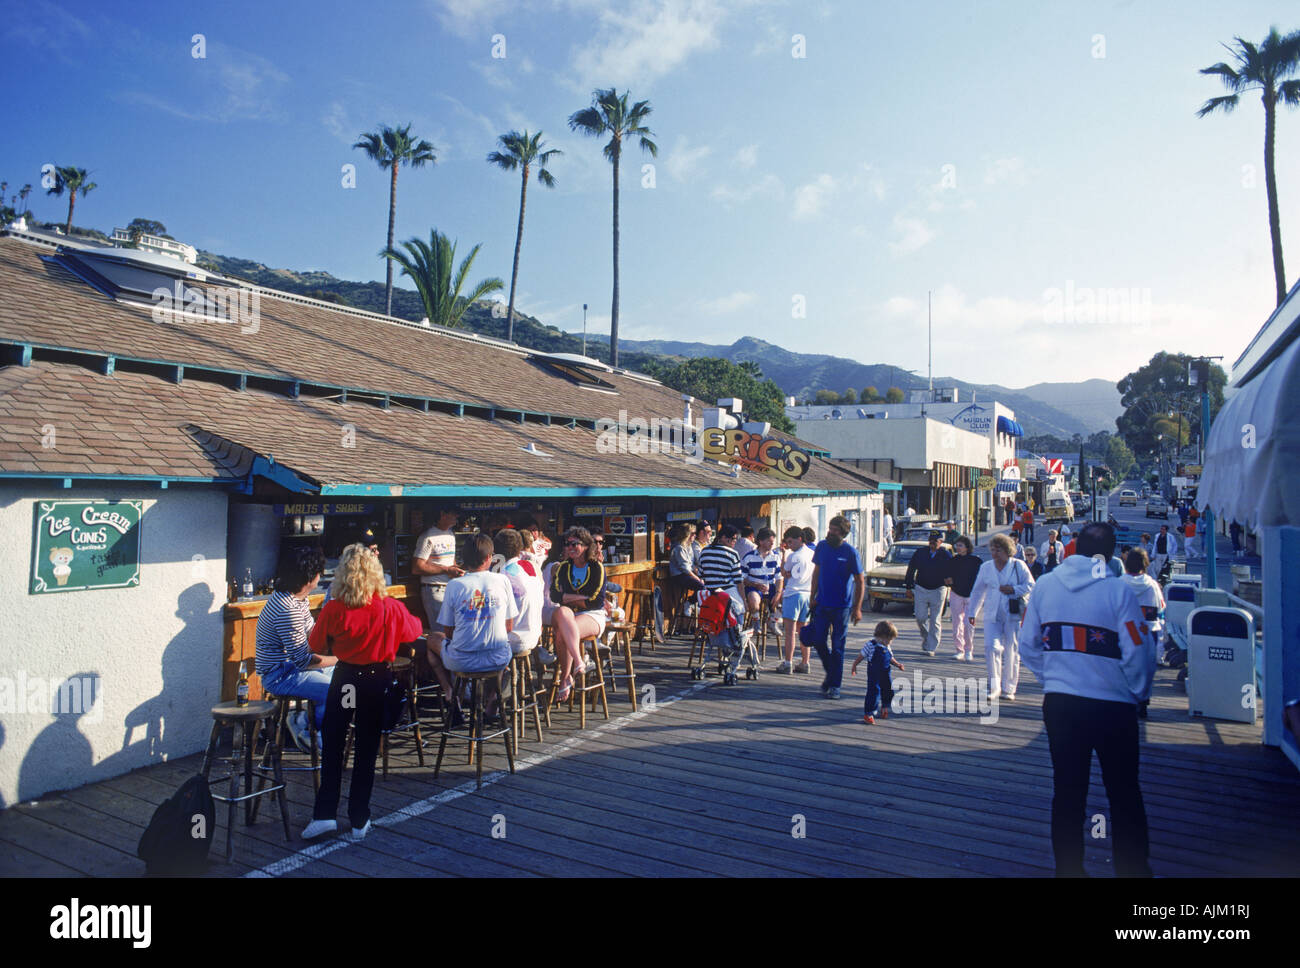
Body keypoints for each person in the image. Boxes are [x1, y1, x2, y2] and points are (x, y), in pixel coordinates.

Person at [1018, 522, 1155, 877]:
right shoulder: (1118, 591)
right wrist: (1137, 692)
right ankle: (1132, 871)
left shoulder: (1046, 586)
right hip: (1113, 708)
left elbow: (1028, 645)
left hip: (1062, 705)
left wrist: (1053, 678)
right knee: (1124, 793)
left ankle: (1069, 871)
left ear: (1074, 547)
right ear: (1111, 555)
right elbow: (1139, 651)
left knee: (1067, 791)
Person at [303, 544, 422, 842]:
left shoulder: (334, 608)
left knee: (333, 745)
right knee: (367, 749)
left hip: (345, 679)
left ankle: (324, 815)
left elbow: (315, 646)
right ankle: (359, 817)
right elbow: (413, 631)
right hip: (375, 678)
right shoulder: (390, 606)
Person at [425, 532, 519, 724]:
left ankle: (452, 695)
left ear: (464, 560)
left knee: (432, 639)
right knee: (504, 653)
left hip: (461, 661)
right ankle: (492, 704)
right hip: (497, 659)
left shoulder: (454, 585)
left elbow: (448, 632)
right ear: (489, 558)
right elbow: (509, 626)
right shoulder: (502, 581)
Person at [255, 545, 337, 751]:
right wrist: (341, 658)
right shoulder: (287, 609)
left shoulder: (296, 598)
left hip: (292, 667)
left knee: (352, 678)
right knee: (337, 690)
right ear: (310, 579)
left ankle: (310, 722)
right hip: (281, 674)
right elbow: (303, 660)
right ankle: (309, 730)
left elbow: (313, 634)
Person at [967, 534, 1035, 701]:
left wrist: (1014, 590)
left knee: (1012, 650)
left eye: (999, 549)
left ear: (1008, 550)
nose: (995, 553)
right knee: (991, 647)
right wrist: (972, 612)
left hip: (1013, 614)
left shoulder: (1019, 566)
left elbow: (1031, 585)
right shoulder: (986, 567)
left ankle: (1009, 688)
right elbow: (977, 591)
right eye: (993, 549)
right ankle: (994, 686)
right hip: (992, 613)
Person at [804, 515, 865, 699]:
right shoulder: (822, 546)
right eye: (830, 529)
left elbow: (860, 581)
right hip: (822, 603)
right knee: (818, 641)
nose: (830, 533)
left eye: (835, 531)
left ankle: (834, 685)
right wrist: (812, 596)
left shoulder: (850, 552)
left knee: (838, 646)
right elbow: (816, 572)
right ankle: (832, 674)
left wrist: (857, 608)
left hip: (842, 607)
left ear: (843, 533)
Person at [549, 527, 606, 703]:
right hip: (570, 615)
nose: (570, 547)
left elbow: (596, 602)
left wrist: (568, 597)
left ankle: (565, 678)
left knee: (561, 634)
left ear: (586, 545)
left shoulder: (596, 567)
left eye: (575, 544)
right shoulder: (564, 567)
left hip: (592, 615)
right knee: (561, 611)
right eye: (567, 544)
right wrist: (580, 598)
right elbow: (555, 596)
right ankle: (579, 662)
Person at [413, 506, 465, 652]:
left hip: (449, 589)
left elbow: (451, 562)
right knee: (441, 635)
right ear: (443, 514)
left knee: (453, 632)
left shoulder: (451, 534)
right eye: (454, 513)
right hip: (433, 590)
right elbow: (417, 567)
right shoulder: (427, 536)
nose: (457, 517)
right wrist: (446, 570)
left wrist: (457, 570)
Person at [1122, 548, 1164, 720]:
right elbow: (1161, 608)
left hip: (1124, 632)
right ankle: (1143, 701)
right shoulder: (1153, 585)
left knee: (1125, 667)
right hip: (1147, 631)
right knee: (1145, 668)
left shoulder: (1119, 584)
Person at [496, 528, 543, 659]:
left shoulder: (503, 575)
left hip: (514, 640)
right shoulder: (532, 567)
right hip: (534, 635)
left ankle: (497, 673)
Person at [904, 530, 952, 656]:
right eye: (930, 540)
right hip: (921, 588)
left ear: (941, 542)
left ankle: (931, 647)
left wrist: (950, 581)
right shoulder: (920, 553)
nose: (932, 543)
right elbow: (911, 569)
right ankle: (926, 637)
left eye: (935, 541)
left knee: (935, 619)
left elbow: (953, 571)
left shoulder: (946, 555)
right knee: (920, 617)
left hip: (939, 589)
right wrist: (908, 586)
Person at [778, 525, 815, 673]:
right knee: (803, 630)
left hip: (793, 593)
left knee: (790, 632)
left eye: (790, 542)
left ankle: (788, 663)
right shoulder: (813, 554)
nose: (789, 545)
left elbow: (785, 573)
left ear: (799, 539)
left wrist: (783, 555)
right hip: (807, 593)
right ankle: (805, 663)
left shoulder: (793, 556)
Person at [851, 621, 904, 724]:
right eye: (890, 639)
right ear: (882, 636)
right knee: (874, 691)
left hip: (885, 672)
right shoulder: (870, 645)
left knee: (887, 689)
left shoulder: (886, 646)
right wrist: (854, 665)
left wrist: (897, 664)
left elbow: (890, 658)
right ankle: (869, 713)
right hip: (874, 673)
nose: (890, 642)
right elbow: (861, 656)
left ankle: (884, 706)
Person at [698, 523, 746, 622]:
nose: (734, 542)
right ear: (724, 538)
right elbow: (738, 581)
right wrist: (744, 601)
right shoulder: (733, 554)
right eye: (733, 539)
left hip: (709, 593)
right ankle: (739, 634)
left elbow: (701, 574)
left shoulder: (704, 551)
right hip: (727, 591)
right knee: (741, 610)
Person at [945, 536, 981, 662]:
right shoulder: (953, 560)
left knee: (968, 623)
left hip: (972, 595)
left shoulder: (976, 561)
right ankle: (959, 650)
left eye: (960, 545)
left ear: (967, 547)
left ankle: (968, 650)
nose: (957, 547)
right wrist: (948, 580)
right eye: (957, 545)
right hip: (956, 593)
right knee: (957, 623)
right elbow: (947, 575)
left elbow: (980, 578)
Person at [741, 527, 783, 634]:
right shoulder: (749, 557)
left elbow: (779, 577)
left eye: (772, 540)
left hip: (771, 586)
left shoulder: (776, 557)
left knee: (788, 599)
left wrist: (778, 593)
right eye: (769, 540)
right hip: (754, 587)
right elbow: (742, 579)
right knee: (754, 601)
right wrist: (755, 584)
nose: (772, 543)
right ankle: (756, 622)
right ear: (761, 541)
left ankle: (772, 621)